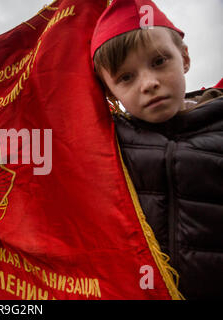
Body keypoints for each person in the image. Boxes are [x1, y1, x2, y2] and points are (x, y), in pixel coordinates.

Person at [90, 0, 223, 299]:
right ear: (109, 91)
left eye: (159, 61)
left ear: (184, 57)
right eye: (126, 77)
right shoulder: (108, 145)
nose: (149, 83)